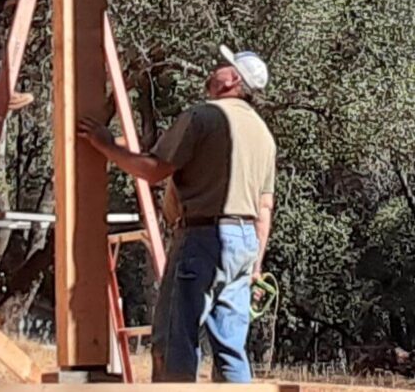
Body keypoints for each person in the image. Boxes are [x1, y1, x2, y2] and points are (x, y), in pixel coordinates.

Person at [79, 45, 277, 383]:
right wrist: (255, 265)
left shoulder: (203, 117)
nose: (214, 70)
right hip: (243, 245)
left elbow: (154, 170)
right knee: (231, 348)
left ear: (232, 80)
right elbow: (264, 207)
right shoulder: (263, 134)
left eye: (222, 67)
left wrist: (105, 145)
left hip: (203, 238)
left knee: (174, 341)